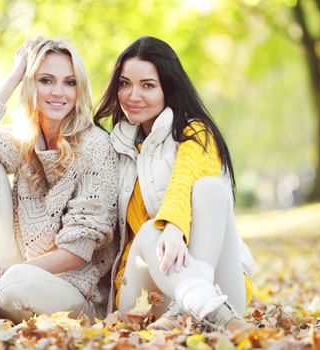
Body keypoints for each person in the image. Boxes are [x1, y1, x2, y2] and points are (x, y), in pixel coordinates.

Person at [0, 37, 118, 326]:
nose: (58, 92)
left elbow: (77, 252)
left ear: (79, 89)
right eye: (45, 80)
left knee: (14, 283)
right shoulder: (22, 139)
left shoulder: (95, 146)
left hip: (74, 291)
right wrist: (14, 75)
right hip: (18, 267)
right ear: (31, 86)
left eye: (69, 82)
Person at [94, 36, 256, 334]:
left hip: (223, 291)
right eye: (125, 83)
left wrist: (173, 226)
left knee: (210, 189)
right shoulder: (113, 147)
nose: (133, 95)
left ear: (169, 88)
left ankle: (195, 302)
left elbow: (184, 180)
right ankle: (197, 303)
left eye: (148, 85)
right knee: (146, 231)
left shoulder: (196, 134)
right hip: (146, 294)